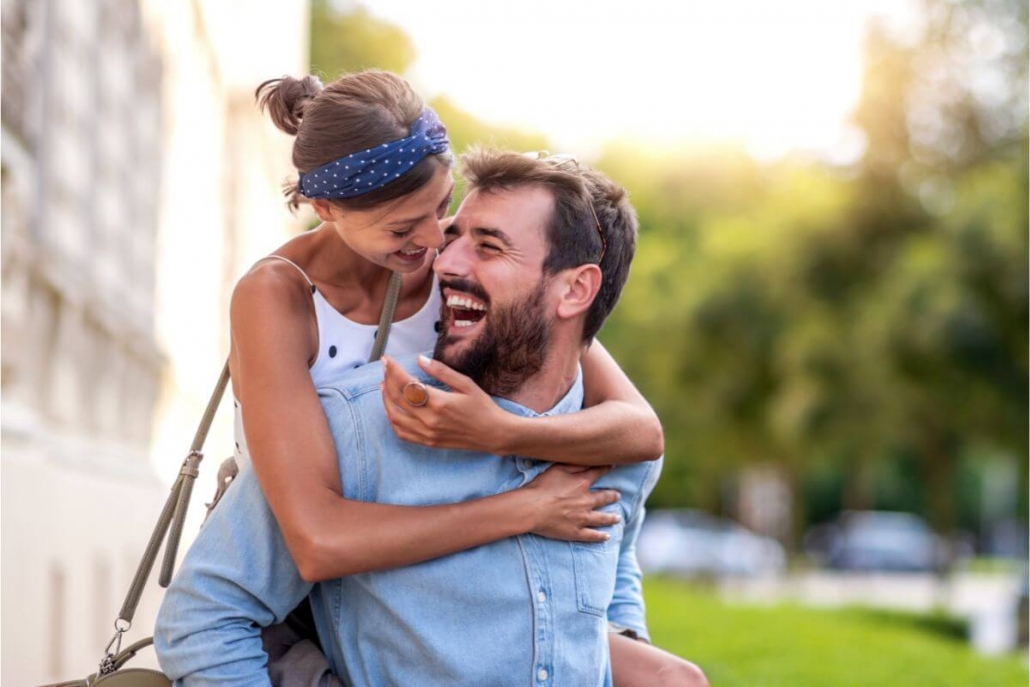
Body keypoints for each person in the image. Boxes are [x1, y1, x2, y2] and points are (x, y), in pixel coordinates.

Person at [160, 70, 706, 686]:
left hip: (436, 560)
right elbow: (315, 538)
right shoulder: (278, 297)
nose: (435, 245)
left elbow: (633, 429)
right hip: (306, 572)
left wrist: (497, 431)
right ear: (326, 209)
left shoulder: (450, 261)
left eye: (443, 209)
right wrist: (523, 509)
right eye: (403, 228)